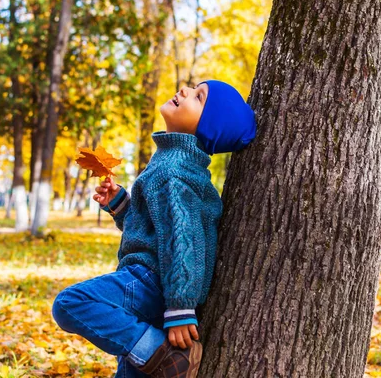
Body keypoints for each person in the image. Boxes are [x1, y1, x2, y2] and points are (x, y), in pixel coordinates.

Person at [52, 80, 257, 378]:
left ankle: (161, 355)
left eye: (198, 98)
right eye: (194, 87)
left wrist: (180, 305)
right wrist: (122, 205)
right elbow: (157, 229)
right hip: (161, 284)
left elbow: (183, 238)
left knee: (71, 303)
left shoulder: (174, 170)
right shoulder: (174, 163)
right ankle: (154, 354)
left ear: (208, 129)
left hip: (150, 281)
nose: (185, 90)